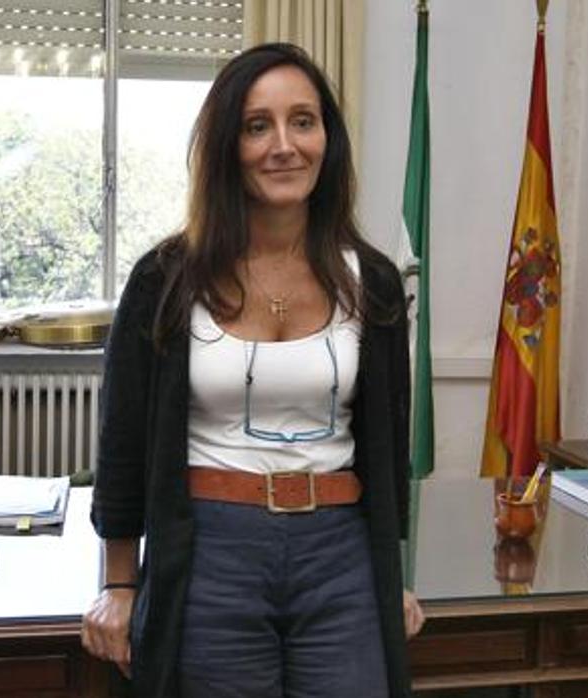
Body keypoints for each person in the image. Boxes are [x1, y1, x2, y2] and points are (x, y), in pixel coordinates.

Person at [82, 42, 424, 698]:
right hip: (210, 553)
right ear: (226, 147)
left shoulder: (374, 281)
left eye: (303, 121)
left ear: (328, 139)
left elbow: (388, 448)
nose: (284, 146)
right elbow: (122, 445)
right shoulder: (163, 279)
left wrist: (392, 577)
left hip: (340, 556)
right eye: (257, 126)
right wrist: (119, 583)